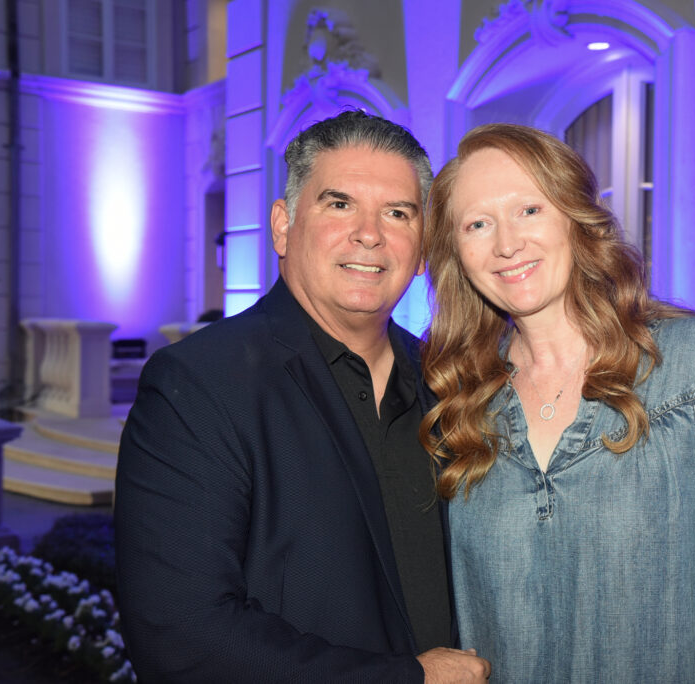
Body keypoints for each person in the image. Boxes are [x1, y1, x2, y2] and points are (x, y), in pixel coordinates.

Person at [419, 123, 695, 683]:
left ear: (575, 219)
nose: (506, 244)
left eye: (529, 210)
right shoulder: (458, 399)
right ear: (457, 254)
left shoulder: (689, 366)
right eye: (478, 224)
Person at [115, 110, 490, 683]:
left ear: (420, 253)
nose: (370, 233)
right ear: (283, 226)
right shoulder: (197, 384)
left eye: (397, 212)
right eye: (339, 204)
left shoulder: (451, 386)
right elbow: (181, 635)